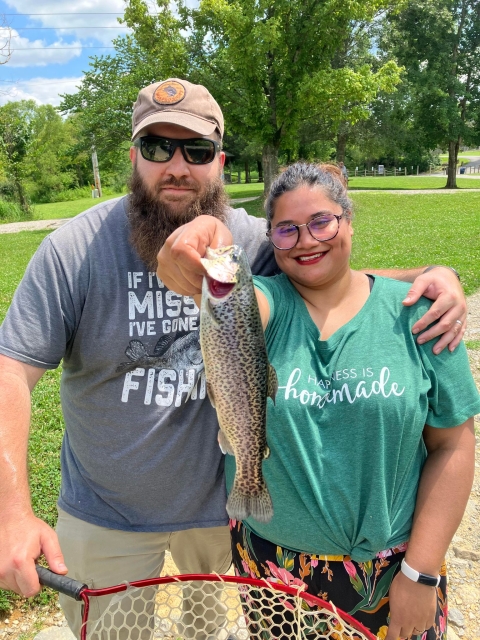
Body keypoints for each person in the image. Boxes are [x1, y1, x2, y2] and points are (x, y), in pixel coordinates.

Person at [0, 78, 467, 637]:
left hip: (223, 516)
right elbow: (11, 372)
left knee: (209, 632)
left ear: (219, 160)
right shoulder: (72, 250)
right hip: (106, 513)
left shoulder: (250, 242)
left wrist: (429, 279)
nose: (177, 166)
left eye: (196, 151)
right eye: (157, 148)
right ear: (133, 157)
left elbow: (326, 277)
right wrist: (12, 513)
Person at [162, 163, 479, 640]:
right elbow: (234, 299)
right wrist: (207, 233)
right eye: (286, 231)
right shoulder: (261, 301)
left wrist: (422, 572)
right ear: (271, 241)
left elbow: (453, 447)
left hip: (395, 570)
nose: (306, 241)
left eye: (322, 222)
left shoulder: (422, 313)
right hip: (272, 567)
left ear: (349, 219)